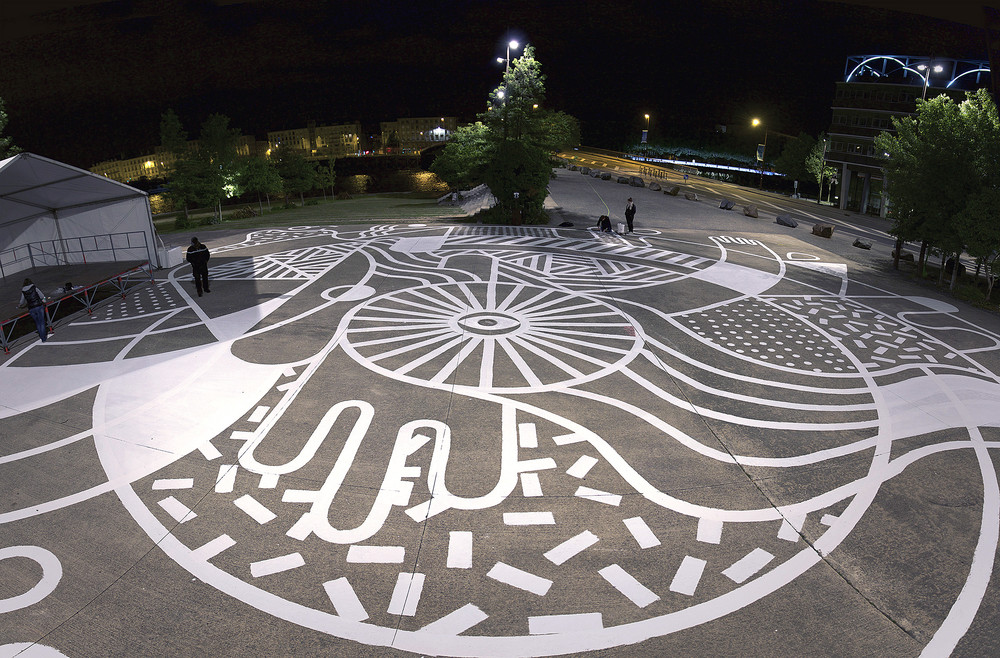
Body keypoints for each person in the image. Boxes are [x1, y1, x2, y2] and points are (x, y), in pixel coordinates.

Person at [17, 277, 48, 342]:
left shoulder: (23, 291)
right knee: (42, 322)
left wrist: (19, 305)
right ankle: (44, 338)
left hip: (31, 308)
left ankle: (41, 336)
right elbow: (42, 296)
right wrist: (44, 301)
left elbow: (22, 301)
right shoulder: (34, 288)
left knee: (37, 323)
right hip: (39, 306)